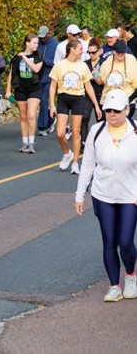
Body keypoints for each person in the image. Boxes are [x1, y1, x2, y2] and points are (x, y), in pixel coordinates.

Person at [75, 89, 137, 302]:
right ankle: (114, 286)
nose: (111, 114)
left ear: (127, 110)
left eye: (116, 111)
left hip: (130, 195)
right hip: (103, 194)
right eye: (108, 110)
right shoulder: (97, 131)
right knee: (109, 241)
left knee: (125, 241)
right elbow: (88, 164)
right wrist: (79, 195)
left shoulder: (135, 131)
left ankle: (130, 275)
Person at [49, 40, 102, 174]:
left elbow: (88, 87)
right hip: (63, 98)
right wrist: (52, 104)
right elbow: (53, 86)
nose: (82, 52)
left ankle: (75, 163)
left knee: (75, 133)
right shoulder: (59, 65)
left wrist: (96, 105)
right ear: (72, 49)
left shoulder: (83, 66)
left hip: (78, 99)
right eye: (80, 49)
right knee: (60, 133)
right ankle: (67, 153)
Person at [5, 34, 43, 153]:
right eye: (34, 43)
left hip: (34, 89)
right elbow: (11, 74)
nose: (36, 45)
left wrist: (25, 58)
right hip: (20, 89)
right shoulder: (17, 57)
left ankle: (31, 143)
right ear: (27, 43)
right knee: (23, 117)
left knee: (31, 115)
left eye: (37, 43)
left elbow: (36, 69)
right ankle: (24, 142)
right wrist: (8, 90)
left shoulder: (39, 56)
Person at [97, 40, 137, 118]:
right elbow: (100, 81)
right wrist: (94, 75)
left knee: (122, 124)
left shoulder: (131, 60)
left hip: (126, 100)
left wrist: (128, 101)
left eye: (123, 52)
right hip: (108, 100)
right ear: (114, 52)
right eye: (118, 52)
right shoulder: (107, 61)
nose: (121, 54)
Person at [37, 26, 59, 136]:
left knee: (44, 100)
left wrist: (45, 61)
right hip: (38, 78)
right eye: (40, 37)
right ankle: (51, 120)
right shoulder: (38, 44)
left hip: (50, 77)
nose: (42, 39)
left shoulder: (56, 45)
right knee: (41, 101)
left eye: (43, 36)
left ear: (49, 34)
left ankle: (42, 126)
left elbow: (57, 63)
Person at [82, 37, 104, 144]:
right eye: (89, 52)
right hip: (87, 95)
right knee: (84, 118)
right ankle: (83, 143)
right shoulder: (85, 64)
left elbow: (103, 81)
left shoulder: (104, 63)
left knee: (101, 120)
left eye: (93, 52)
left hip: (100, 94)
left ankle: (101, 142)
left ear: (99, 51)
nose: (91, 55)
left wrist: (94, 76)